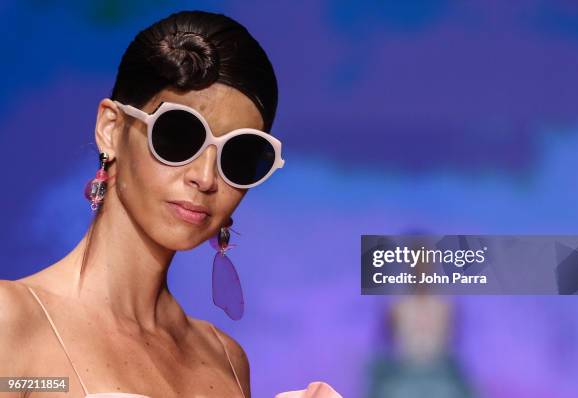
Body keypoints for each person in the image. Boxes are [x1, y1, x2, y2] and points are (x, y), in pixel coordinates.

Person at [0, 10, 340, 398]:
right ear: (111, 129)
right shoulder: (12, 324)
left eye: (240, 157)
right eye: (179, 135)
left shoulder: (225, 359)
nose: (206, 178)